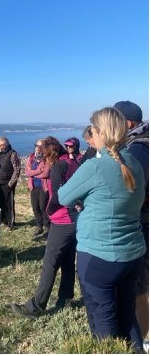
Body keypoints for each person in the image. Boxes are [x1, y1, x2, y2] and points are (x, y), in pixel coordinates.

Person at [58, 107, 146, 352]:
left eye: (93, 130)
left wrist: (84, 200)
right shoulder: (135, 163)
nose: (91, 134)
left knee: (103, 322)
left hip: (99, 256)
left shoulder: (94, 168)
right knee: (127, 316)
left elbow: (63, 196)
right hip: (133, 253)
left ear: (102, 133)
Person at [12, 137, 80, 319]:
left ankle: (35, 307)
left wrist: (49, 210)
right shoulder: (72, 161)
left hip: (62, 219)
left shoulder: (58, 166)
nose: (40, 152)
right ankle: (66, 298)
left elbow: (58, 196)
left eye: (43, 148)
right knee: (67, 260)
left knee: (50, 262)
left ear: (51, 149)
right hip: (76, 219)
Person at [114, 100, 150, 350]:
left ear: (127, 124)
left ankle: (140, 339)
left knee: (138, 285)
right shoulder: (141, 143)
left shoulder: (137, 149)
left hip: (142, 222)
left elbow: (136, 190)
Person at [0, 136, 21, 230]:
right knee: (1, 203)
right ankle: (4, 220)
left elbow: (16, 170)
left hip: (7, 183)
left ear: (4, 145)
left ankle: (11, 223)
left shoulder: (12, 154)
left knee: (9, 203)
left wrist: (11, 183)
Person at [25, 139, 50, 238]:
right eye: (37, 145)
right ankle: (39, 225)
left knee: (43, 207)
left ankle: (47, 226)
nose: (38, 147)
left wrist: (34, 173)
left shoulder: (47, 158)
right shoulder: (31, 157)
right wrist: (39, 171)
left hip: (43, 187)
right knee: (35, 207)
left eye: (41, 146)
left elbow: (46, 173)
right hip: (33, 187)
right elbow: (27, 172)